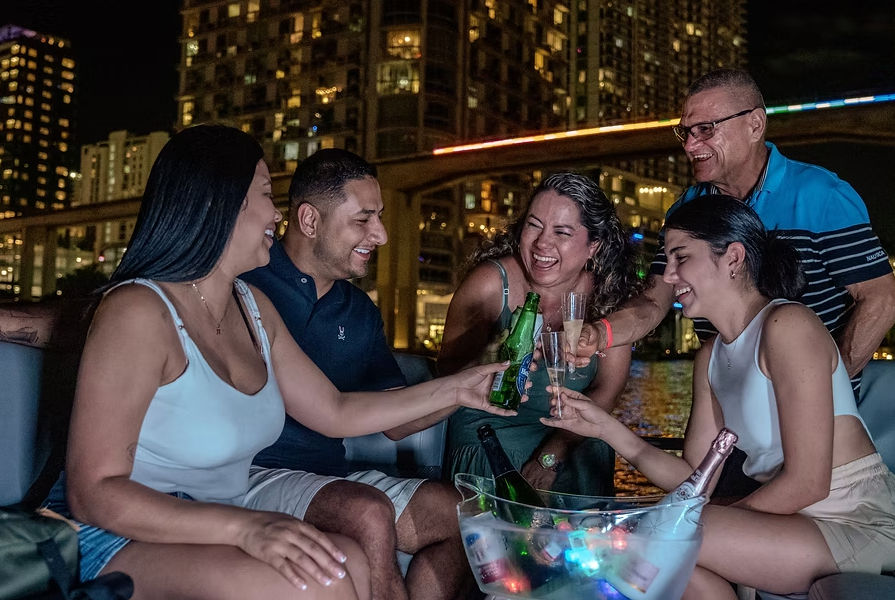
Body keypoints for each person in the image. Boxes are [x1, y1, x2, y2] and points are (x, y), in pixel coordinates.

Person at [42, 124, 511, 600]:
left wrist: (458, 387)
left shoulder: (252, 307)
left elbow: (337, 411)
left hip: (215, 518)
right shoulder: (138, 310)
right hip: (115, 535)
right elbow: (94, 491)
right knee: (319, 581)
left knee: (348, 562)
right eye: (266, 194)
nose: (275, 211)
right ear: (216, 205)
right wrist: (245, 528)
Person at [544, 194, 895, 598]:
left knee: (650, 535)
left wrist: (696, 520)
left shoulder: (787, 325)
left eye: (681, 257)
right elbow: (694, 479)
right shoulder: (711, 356)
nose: (670, 275)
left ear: (732, 258)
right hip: (793, 520)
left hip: (854, 520)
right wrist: (604, 427)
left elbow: (808, 482)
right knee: (671, 556)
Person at [241, 148, 475, 600]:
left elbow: (395, 422)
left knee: (461, 512)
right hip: (253, 473)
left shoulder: (360, 312)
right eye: (364, 219)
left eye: (381, 217)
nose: (382, 235)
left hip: (325, 476)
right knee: (365, 513)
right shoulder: (247, 281)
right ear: (309, 221)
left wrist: (473, 384)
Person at [577, 68, 895, 395]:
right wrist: (600, 334)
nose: (689, 145)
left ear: (754, 125)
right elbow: (654, 302)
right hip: (728, 408)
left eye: (705, 129)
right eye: (685, 132)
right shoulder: (686, 210)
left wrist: (826, 387)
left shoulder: (821, 195)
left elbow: (881, 297)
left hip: (816, 416)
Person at [438, 172, 643, 496]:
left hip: (569, 439)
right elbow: (444, 377)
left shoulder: (607, 298)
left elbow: (608, 389)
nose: (542, 243)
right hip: (490, 434)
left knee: (592, 453)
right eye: (534, 225)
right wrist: (486, 362)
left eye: (561, 232)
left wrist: (553, 455)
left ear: (594, 245)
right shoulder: (490, 284)